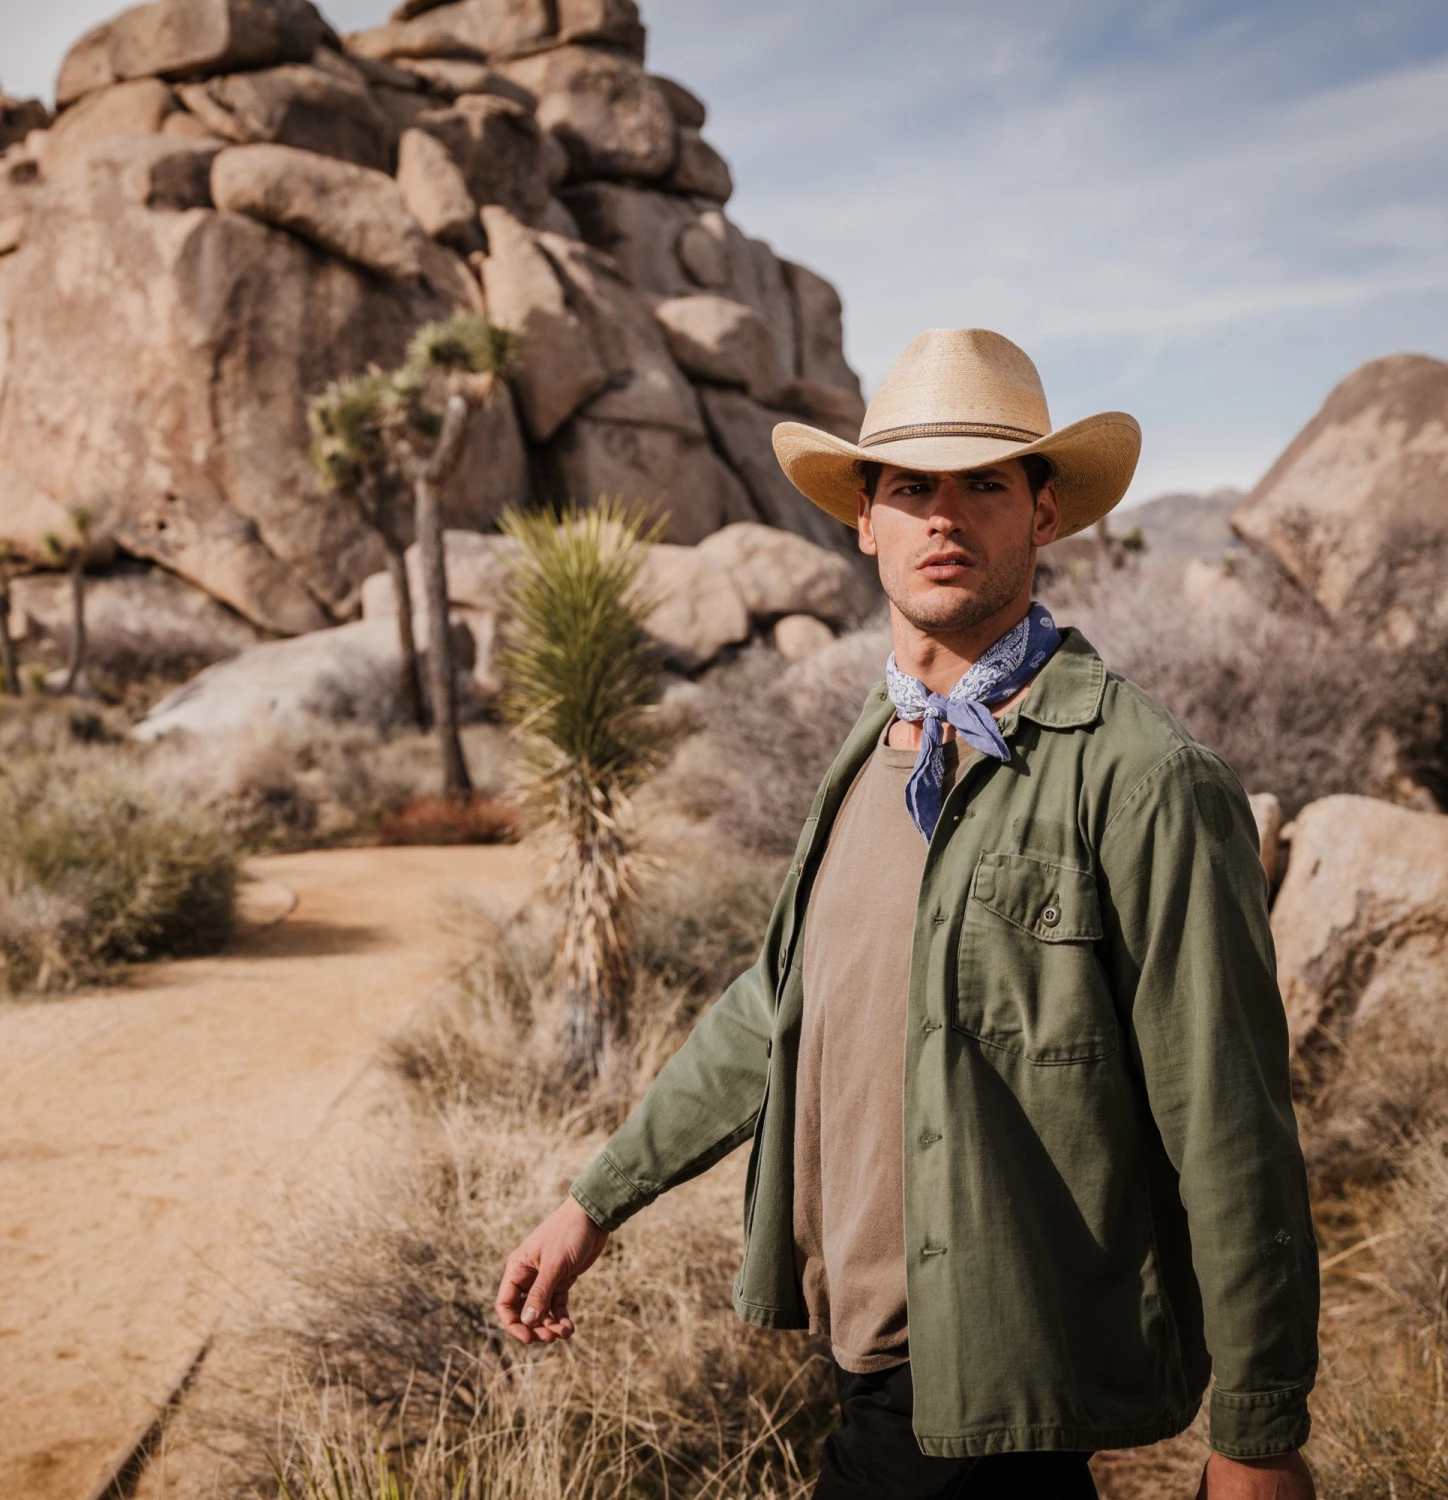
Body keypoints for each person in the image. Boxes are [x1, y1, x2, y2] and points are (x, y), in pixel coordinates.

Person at [496, 329, 1320, 1499]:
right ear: (863, 520)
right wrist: (595, 1204)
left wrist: (1259, 1433)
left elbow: (1231, 1119)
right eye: (911, 488)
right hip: (865, 1355)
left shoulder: (1140, 777)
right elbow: (777, 1005)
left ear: (1041, 512)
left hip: (990, 1374)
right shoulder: (871, 753)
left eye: (984, 484)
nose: (946, 518)